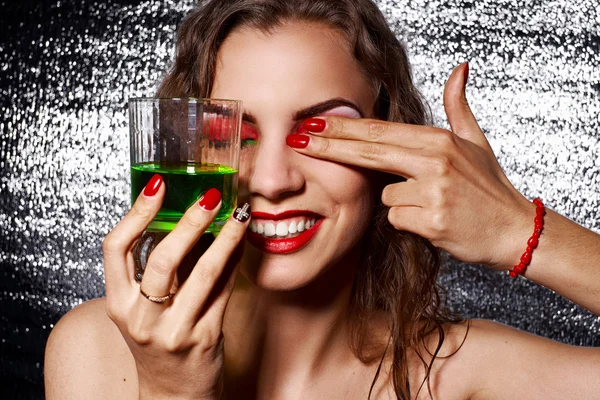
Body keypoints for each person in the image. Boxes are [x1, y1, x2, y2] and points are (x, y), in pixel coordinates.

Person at [44, 0, 600, 398]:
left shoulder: (459, 370)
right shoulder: (98, 350)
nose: (272, 179)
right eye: (237, 135)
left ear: (390, 144)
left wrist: (520, 230)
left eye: (320, 133)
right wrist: (172, 393)